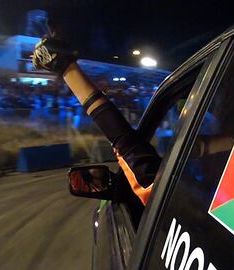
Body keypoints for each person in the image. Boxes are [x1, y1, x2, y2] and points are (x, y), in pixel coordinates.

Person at [32, 32, 162, 205]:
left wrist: (66, 69)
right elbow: (126, 143)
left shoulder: (165, 195)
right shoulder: (186, 194)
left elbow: (127, 144)